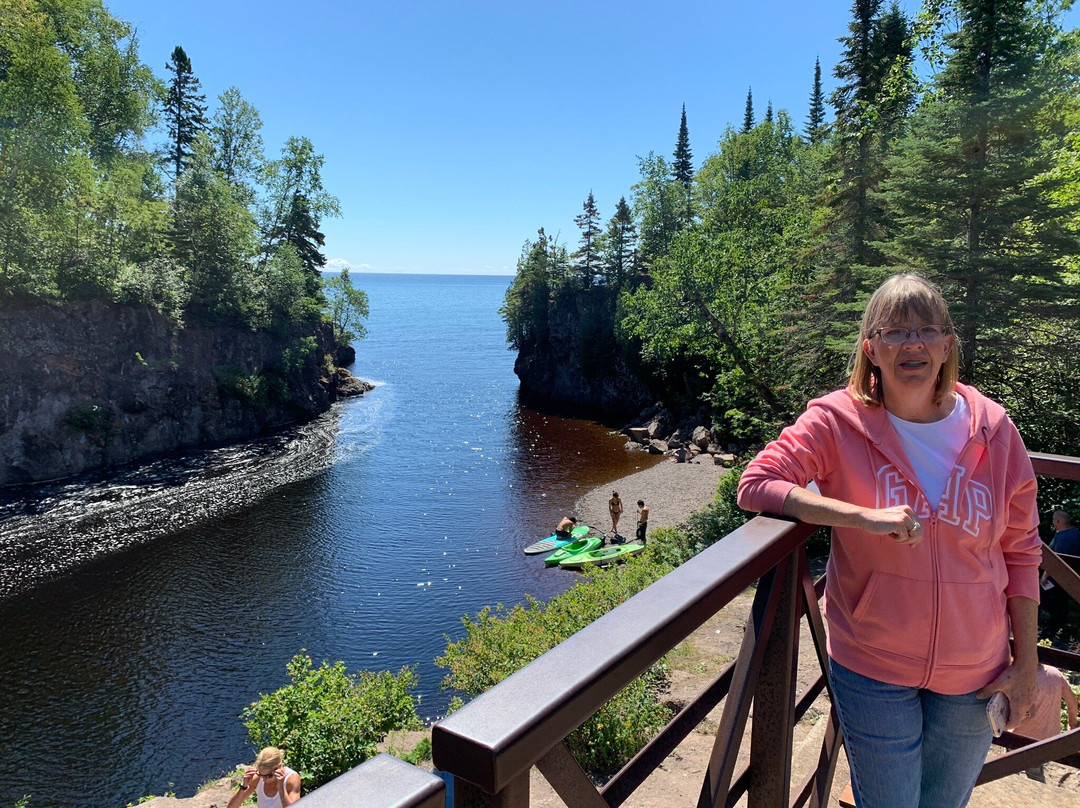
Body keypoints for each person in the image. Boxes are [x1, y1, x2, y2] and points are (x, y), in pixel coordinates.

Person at [737, 273, 1042, 808]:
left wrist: (1027, 662)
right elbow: (757, 484)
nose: (913, 343)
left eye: (927, 330)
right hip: (872, 663)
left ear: (948, 346)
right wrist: (858, 516)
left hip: (976, 668)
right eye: (895, 331)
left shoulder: (994, 428)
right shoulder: (837, 420)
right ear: (871, 349)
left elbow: (1021, 552)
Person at [1011, 662, 1078, 779]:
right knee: (1035, 774)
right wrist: (1072, 724)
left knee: (1008, 772)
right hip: (1047, 739)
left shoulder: (1026, 678)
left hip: (1021, 737)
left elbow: (1026, 712)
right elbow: (1072, 700)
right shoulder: (1055, 673)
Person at [1040, 509, 1080, 637]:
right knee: (1061, 601)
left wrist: (1044, 576)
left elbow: (1056, 561)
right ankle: (1057, 623)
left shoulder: (1061, 538)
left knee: (1045, 592)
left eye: (1053, 520)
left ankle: (1053, 626)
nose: (1053, 522)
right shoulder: (1075, 533)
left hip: (1060, 577)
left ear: (1058, 521)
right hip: (1074, 575)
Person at [227, 746, 301, 808]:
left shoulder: (291, 779)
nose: (264, 779)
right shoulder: (258, 778)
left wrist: (281, 789)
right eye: (261, 775)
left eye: (268, 776)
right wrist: (244, 786)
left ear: (278, 767)